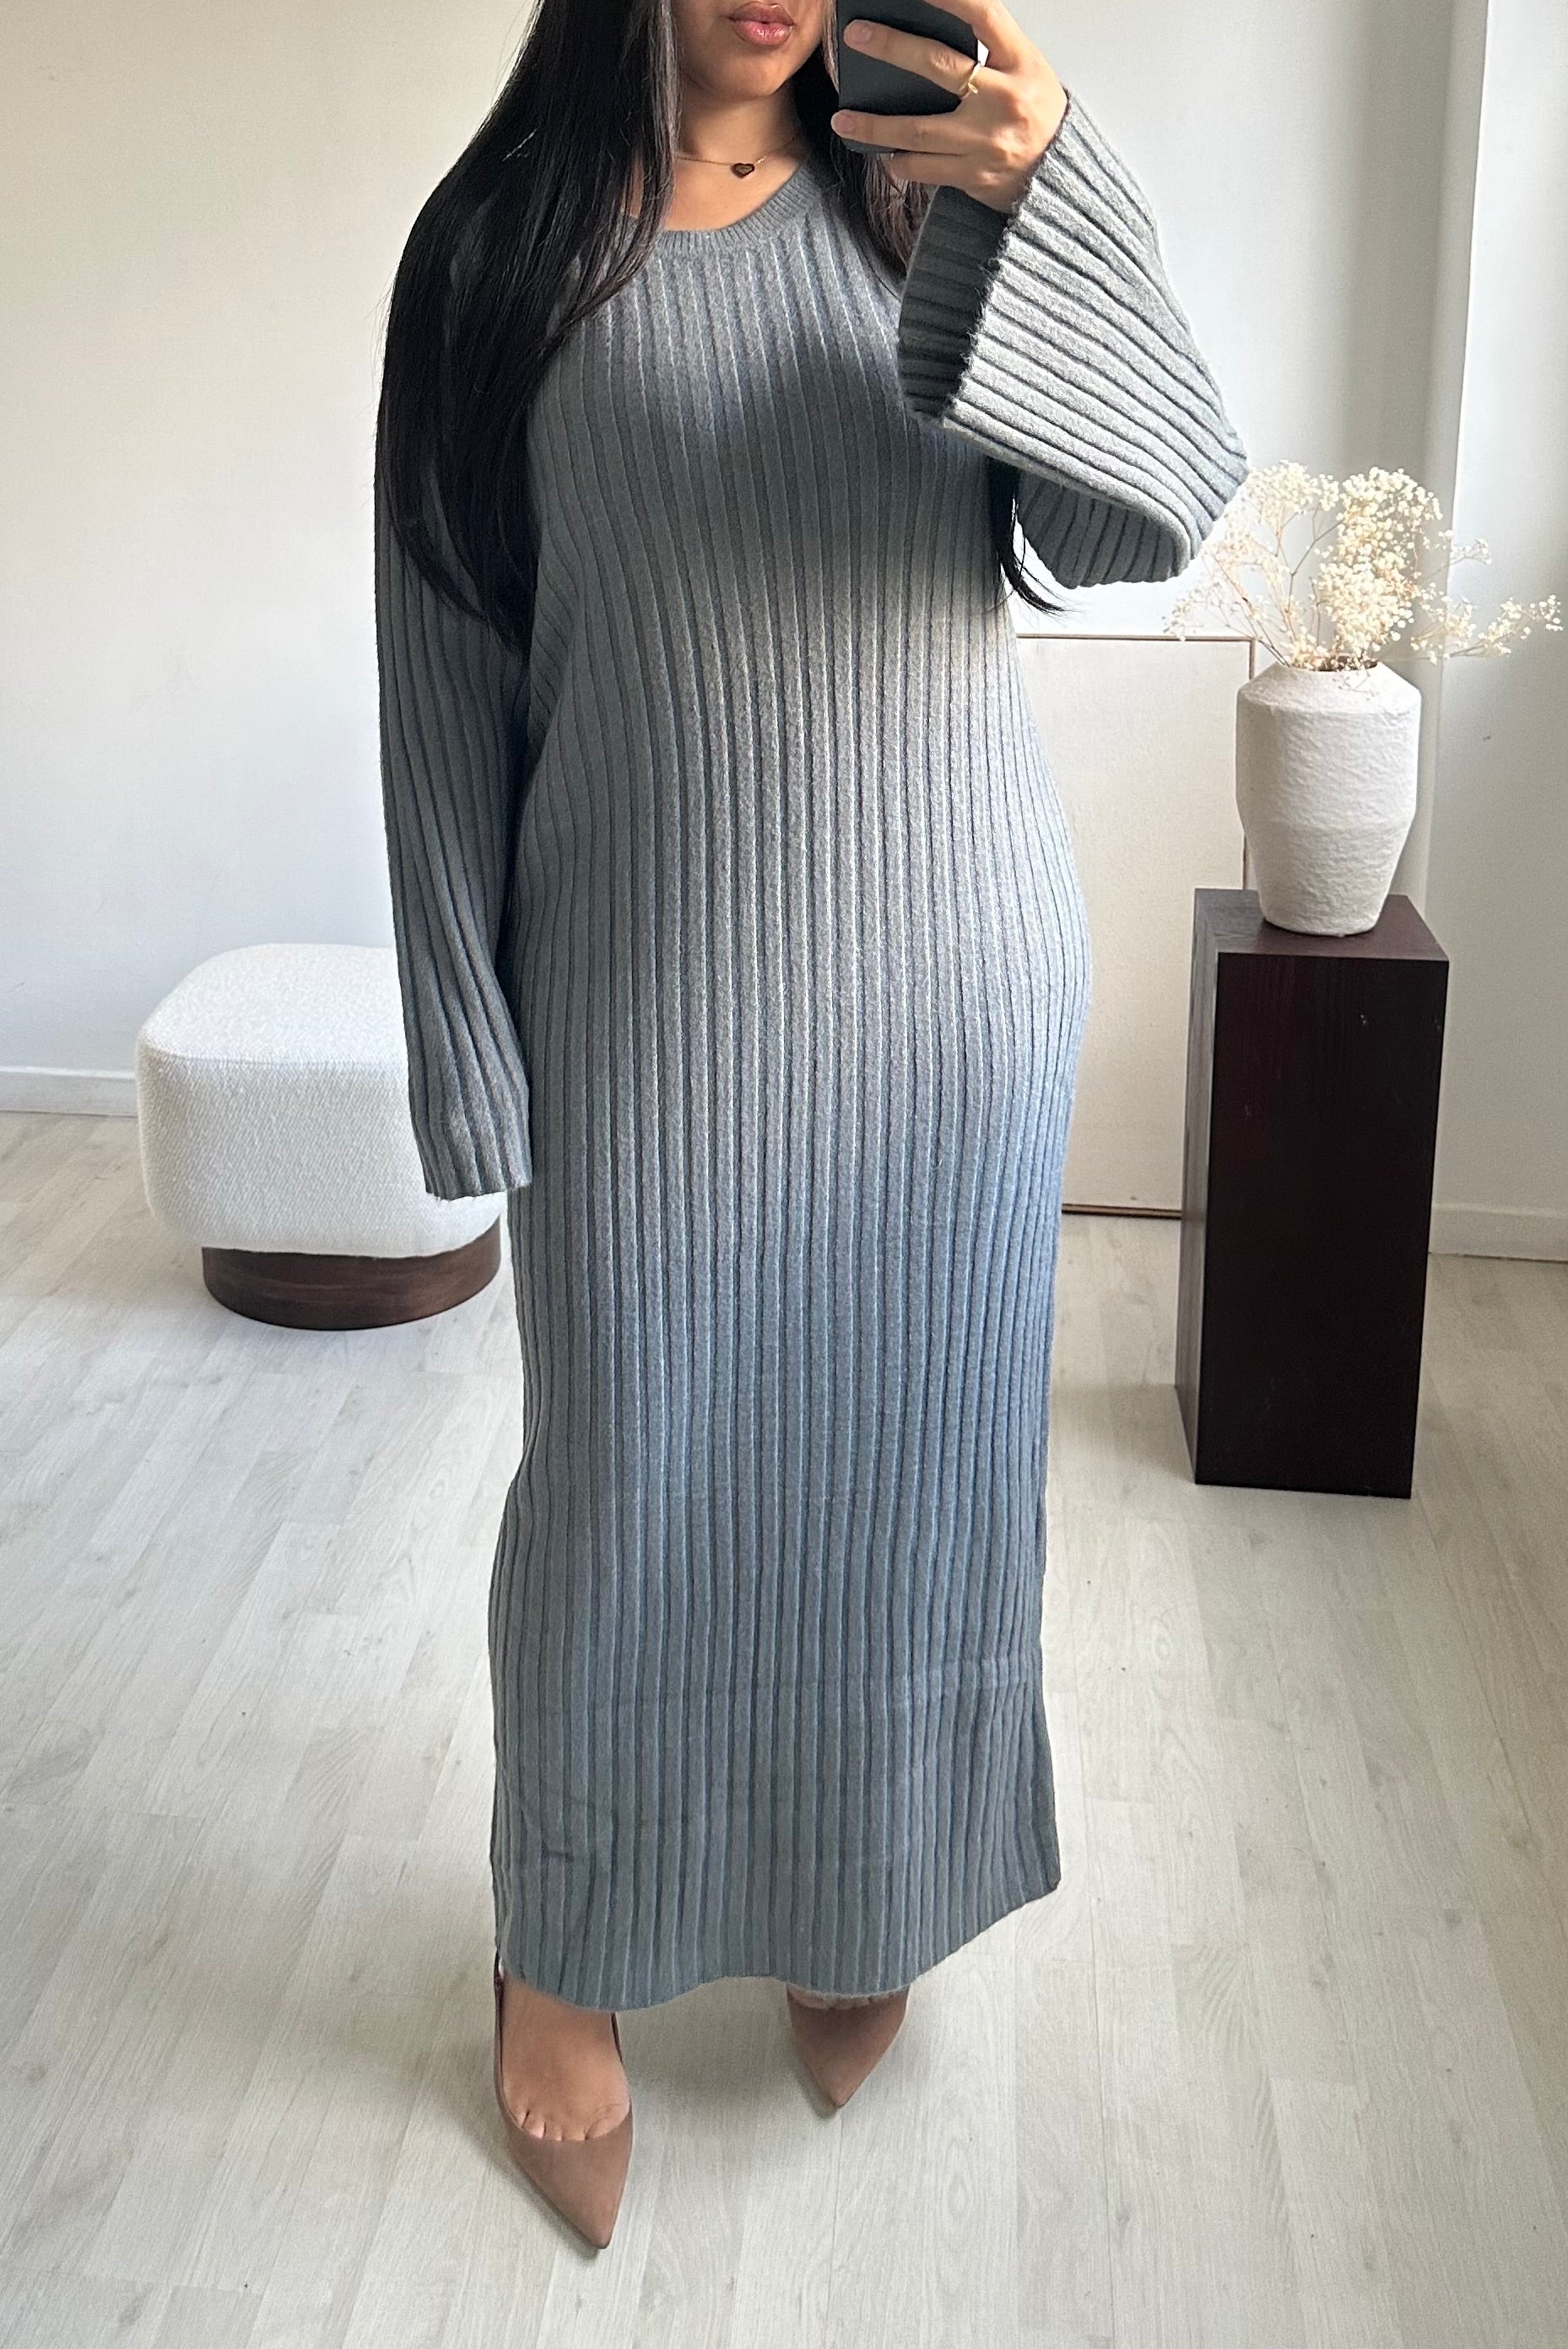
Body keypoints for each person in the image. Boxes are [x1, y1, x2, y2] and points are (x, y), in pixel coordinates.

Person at [373, 0, 1246, 2250]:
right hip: (648, 1011)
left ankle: (864, 1887)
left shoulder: (931, 201)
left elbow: (1145, 516)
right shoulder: (500, 248)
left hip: (953, 1003)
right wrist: (464, 1044)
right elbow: (443, 668)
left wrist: (1053, 193)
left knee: (913, 1489)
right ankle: (564, 1945)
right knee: (628, 1490)